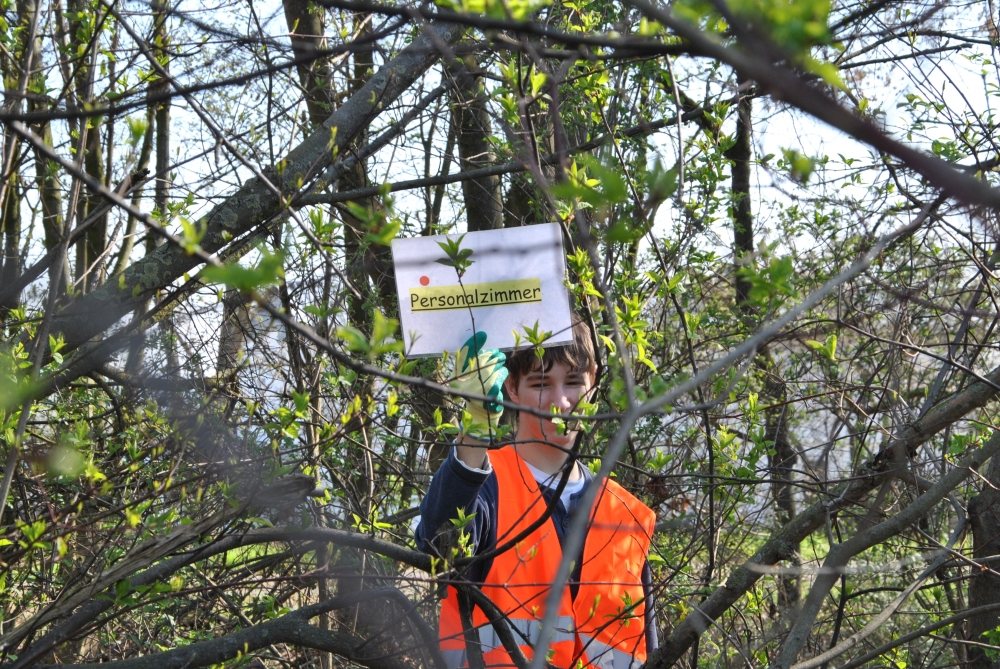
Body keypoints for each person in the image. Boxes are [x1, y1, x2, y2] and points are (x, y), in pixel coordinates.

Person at [415, 319, 657, 669]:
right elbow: (439, 544)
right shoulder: (486, 487)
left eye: (573, 382)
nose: (560, 401)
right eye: (541, 383)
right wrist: (476, 428)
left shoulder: (628, 515)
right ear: (512, 387)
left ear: (592, 380)